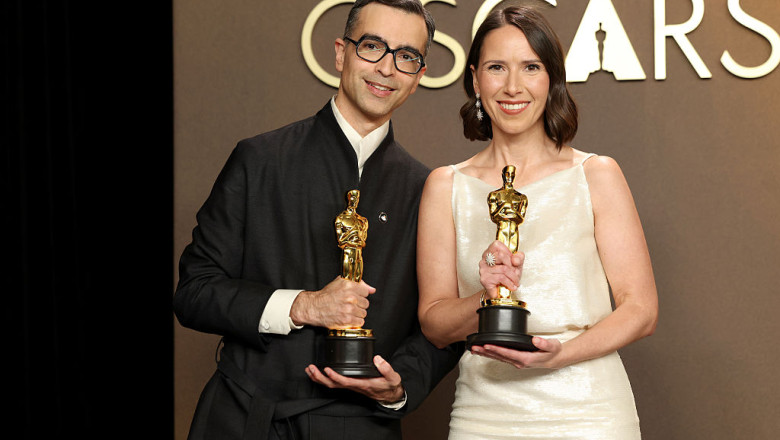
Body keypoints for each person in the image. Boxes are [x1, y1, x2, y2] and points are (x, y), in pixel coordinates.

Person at [173, 1, 461, 439]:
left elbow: (442, 324)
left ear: (418, 77)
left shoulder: (429, 190)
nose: (387, 68)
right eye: (371, 46)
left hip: (361, 425)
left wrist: (398, 385)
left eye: (405, 56)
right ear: (341, 53)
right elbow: (194, 291)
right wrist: (303, 305)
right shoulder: (259, 159)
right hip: (244, 416)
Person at [417, 6, 658, 439]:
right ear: (474, 79)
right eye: (496, 68)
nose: (513, 86)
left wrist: (559, 355)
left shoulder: (596, 174)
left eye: (531, 67)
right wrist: (485, 296)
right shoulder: (445, 185)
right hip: (484, 414)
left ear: (551, 79)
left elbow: (640, 310)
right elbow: (435, 324)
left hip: (590, 410)